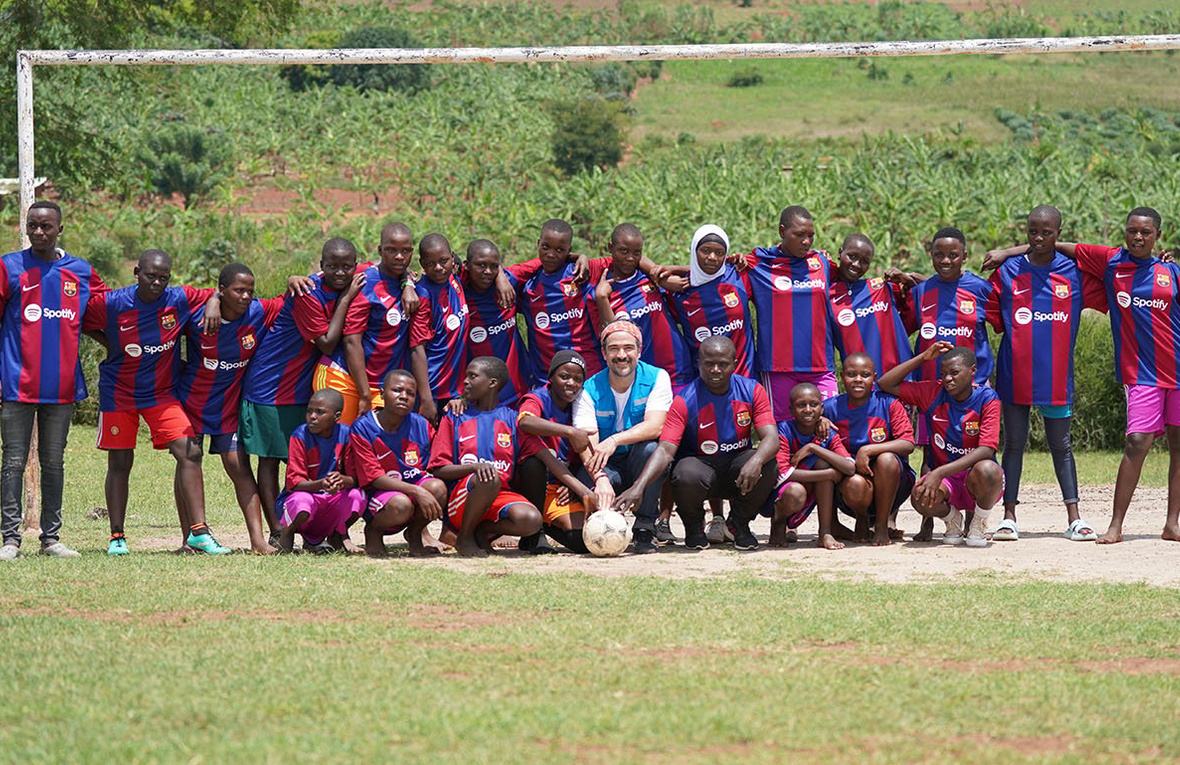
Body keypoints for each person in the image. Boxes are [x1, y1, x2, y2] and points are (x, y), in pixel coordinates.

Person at [990, 207, 1180, 544]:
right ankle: (1016, 517)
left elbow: (1055, 246)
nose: (1138, 237)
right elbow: (1049, 248)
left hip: (1075, 379)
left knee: (1064, 445)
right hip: (1028, 376)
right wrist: (1007, 252)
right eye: (1132, 231)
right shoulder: (1106, 264)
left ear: (1157, 236)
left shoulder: (1163, 272)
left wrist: (1166, 263)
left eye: (1146, 232)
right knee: (1018, 444)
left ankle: (1156, 523)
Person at [82, 249, 229, 555]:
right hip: (119, 392)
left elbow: (217, 291)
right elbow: (82, 318)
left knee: (190, 452)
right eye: (151, 276)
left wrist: (214, 301)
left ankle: (199, 533)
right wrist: (112, 345)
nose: (157, 283)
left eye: (164, 277)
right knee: (120, 462)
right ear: (137, 273)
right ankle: (117, 537)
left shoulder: (178, 299)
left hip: (161, 394)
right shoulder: (113, 303)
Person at [0, 201, 107, 560]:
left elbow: (110, 308)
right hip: (15, 382)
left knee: (54, 461)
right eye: (33, 226)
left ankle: (51, 539)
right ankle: (10, 540)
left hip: (60, 386)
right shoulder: (9, 267)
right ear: (26, 228)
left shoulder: (80, 272)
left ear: (60, 229)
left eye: (46, 226)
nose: (39, 232)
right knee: (13, 461)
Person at [982, 206, 1095, 542]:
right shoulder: (1007, 273)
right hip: (1015, 375)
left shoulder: (1075, 273)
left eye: (1047, 232)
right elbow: (987, 312)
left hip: (1057, 378)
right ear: (1026, 231)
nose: (1039, 238)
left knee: (1061, 445)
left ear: (1059, 234)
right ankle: (1009, 517)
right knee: (1014, 444)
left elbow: (1112, 265)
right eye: (1033, 231)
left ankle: (1074, 518)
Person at [239, 238, 363, 541]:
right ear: (321, 266)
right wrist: (347, 299)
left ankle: (306, 523)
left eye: (347, 267)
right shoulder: (308, 293)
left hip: (300, 387)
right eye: (332, 266)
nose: (340, 272)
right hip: (271, 385)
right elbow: (327, 342)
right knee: (270, 459)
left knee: (296, 457)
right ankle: (277, 529)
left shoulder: (345, 280)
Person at [615, 336, 778, 551]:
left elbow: (772, 438)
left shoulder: (752, 390)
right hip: (700, 471)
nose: (716, 370)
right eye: (709, 364)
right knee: (685, 473)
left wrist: (756, 459)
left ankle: (738, 523)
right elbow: (664, 450)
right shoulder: (684, 399)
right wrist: (638, 487)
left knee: (767, 464)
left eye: (723, 364)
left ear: (735, 364)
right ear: (699, 364)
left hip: (736, 470)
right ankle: (694, 527)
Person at [175, 262, 284, 555]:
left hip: (229, 407)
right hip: (191, 404)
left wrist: (298, 278)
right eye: (238, 290)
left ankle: (258, 542)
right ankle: (190, 538)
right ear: (222, 290)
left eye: (250, 290)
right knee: (188, 462)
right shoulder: (198, 316)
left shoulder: (259, 312)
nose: (246, 296)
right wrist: (211, 300)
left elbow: (292, 298)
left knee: (239, 467)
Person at [878, 342, 1004, 547]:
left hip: (976, 477)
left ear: (972, 371)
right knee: (919, 496)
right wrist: (922, 358)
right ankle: (952, 519)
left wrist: (939, 472)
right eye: (943, 373)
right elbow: (886, 383)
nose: (947, 379)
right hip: (949, 483)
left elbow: (986, 449)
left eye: (954, 373)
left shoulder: (987, 398)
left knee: (989, 469)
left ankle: (979, 522)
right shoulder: (933, 392)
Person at [572, 320, 674, 553]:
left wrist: (615, 439)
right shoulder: (589, 388)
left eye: (628, 348)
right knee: (586, 481)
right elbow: (587, 445)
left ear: (639, 350)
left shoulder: (658, 377)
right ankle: (600, 527)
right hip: (606, 465)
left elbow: (656, 427)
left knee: (652, 451)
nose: (621, 355)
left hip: (638, 460)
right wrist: (600, 479)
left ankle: (645, 527)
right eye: (614, 349)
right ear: (604, 354)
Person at [427, 357, 542, 557]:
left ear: (492, 383)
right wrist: (474, 468)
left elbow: (540, 455)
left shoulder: (511, 419)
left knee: (532, 519)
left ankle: (483, 532)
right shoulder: (455, 417)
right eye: (466, 376)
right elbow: (438, 468)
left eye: (473, 376)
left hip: (499, 497)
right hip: (462, 499)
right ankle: (464, 536)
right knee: (488, 477)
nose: (465, 382)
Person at [740, 205, 838, 417]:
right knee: (784, 433)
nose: (806, 241)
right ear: (782, 232)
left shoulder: (821, 262)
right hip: (778, 368)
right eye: (799, 235)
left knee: (829, 425)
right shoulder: (757, 265)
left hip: (820, 366)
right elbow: (719, 277)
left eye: (811, 235)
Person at [316, 223, 416, 424]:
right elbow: (352, 342)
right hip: (345, 378)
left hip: (381, 383)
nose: (399, 256)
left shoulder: (411, 284)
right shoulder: (364, 281)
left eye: (405, 251)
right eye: (391, 250)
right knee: (336, 446)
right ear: (380, 251)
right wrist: (364, 395)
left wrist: (408, 282)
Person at [348, 370, 448, 557]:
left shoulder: (421, 425)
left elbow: (436, 464)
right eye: (397, 390)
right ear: (383, 393)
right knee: (401, 504)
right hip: (380, 495)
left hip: (411, 488)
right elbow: (374, 478)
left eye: (410, 394)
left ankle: (415, 533)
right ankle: (374, 532)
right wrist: (417, 491)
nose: (404, 397)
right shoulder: (363, 427)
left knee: (438, 487)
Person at [516, 350, 608, 554]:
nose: (571, 383)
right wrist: (570, 432)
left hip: (558, 488)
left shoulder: (579, 404)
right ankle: (534, 533)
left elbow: (579, 457)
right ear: (550, 378)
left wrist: (574, 486)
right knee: (534, 464)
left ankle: (542, 525)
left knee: (584, 541)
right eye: (564, 376)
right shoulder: (537, 398)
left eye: (578, 379)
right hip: (530, 485)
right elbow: (525, 421)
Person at [823, 353, 915, 546]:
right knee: (853, 483)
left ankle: (881, 525)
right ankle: (861, 518)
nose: (858, 379)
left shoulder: (888, 403)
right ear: (841, 377)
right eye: (851, 374)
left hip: (891, 484)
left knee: (887, 458)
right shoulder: (830, 408)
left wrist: (868, 450)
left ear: (874, 377)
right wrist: (818, 420)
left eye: (865, 374)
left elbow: (908, 443)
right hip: (851, 488)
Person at [592, 223, 694, 388]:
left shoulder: (650, 277)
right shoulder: (602, 291)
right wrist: (602, 298)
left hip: (678, 372)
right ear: (610, 248)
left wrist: (664, 272)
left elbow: (702, 273)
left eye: (636, 253)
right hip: (639, 382)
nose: (630, 258)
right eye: (624, 251)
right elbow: (610, 335)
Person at [891, 227, 995, 386]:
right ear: (931, 255)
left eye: (953, 255)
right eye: (939, 255)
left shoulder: (981, 289)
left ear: (964, 256)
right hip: (930, 387)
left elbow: (1004, 326)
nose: (945, 261)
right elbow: (899, 333)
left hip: (974, 386)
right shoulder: (920, 293)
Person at [275, 389, 364, 553]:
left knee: (358, 496)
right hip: (301, 500)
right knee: (302, 502)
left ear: (337, 417)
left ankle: (337, 536)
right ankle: (286, 534)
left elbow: (356, 479)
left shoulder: (345, 435)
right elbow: (294, 484)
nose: (312, 416)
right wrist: (321, 484)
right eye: (309, 411)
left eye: (320, 412)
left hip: (328, 501)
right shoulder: (300, 435)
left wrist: (342, 480)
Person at [770, 383, 855, 551]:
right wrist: (828, 474)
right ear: (791, 409)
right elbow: (782, 474)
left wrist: (813, 448)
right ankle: (778, 522)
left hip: (811, 487)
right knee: (797, 491)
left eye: (814, 404)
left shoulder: (827, 434)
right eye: (801, 405)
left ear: (821, 408)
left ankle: (825, 532)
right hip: (783, 492)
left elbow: (850, 467)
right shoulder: (783, 430)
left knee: (822, 462)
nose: (808, 410)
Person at [461, 239, 533, 407]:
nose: (487, 272)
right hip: (480, 396)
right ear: (467, 265)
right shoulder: (457, 292)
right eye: (481, 265)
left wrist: (578, 257)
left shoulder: (509, 280)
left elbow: (546, 258)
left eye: (493, 266)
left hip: (519, 388)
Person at [828, 233, 912, 377]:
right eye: (852, 256)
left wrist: (907, 279)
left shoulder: (882, 287)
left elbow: (925, 298)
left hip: (901, 379)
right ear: (840, 253)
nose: (856, 264)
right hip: (860, 385)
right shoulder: (826, 295)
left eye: (864, 261)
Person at [409, 234, 468, 423]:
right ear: (422, 264)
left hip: (453, 389)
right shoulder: (424, 296)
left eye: (443, 261)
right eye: (430, 264)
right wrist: (426, 399)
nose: (438, 268)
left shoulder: (454, 280)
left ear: (452, 258)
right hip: (433, 389)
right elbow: (417, 348)